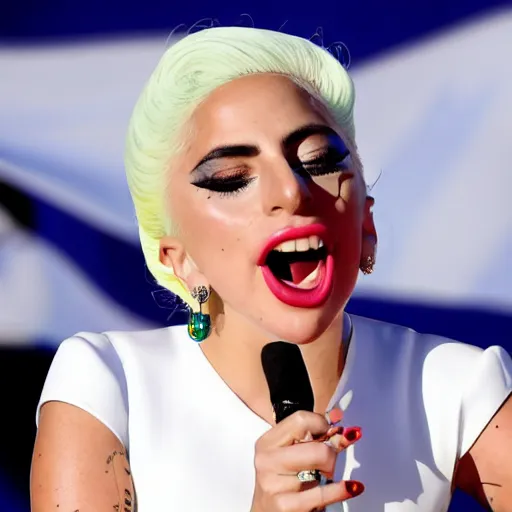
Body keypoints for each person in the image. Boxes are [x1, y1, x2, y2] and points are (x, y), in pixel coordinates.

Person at [30, 26, 512, 511]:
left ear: (365, 221)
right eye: (231, 179)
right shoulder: (109, 382)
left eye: (319, 159)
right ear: (180, 261)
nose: (291, 191)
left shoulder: (459, 385)